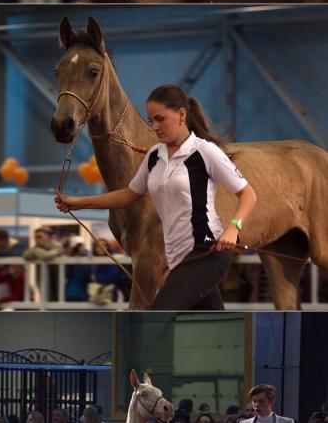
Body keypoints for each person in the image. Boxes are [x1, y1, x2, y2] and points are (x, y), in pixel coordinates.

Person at [56, 85, 256, 310]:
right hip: (178, 259)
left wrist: (233, 228)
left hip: (207, 253)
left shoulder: (205, 152)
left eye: (161, 119)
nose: (155, 127)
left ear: (182, 115)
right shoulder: (154, 156)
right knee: (212, 328)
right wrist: (78, 203)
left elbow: (248, 194)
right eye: (152, 121)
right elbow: (128, 195)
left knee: (158, 316)